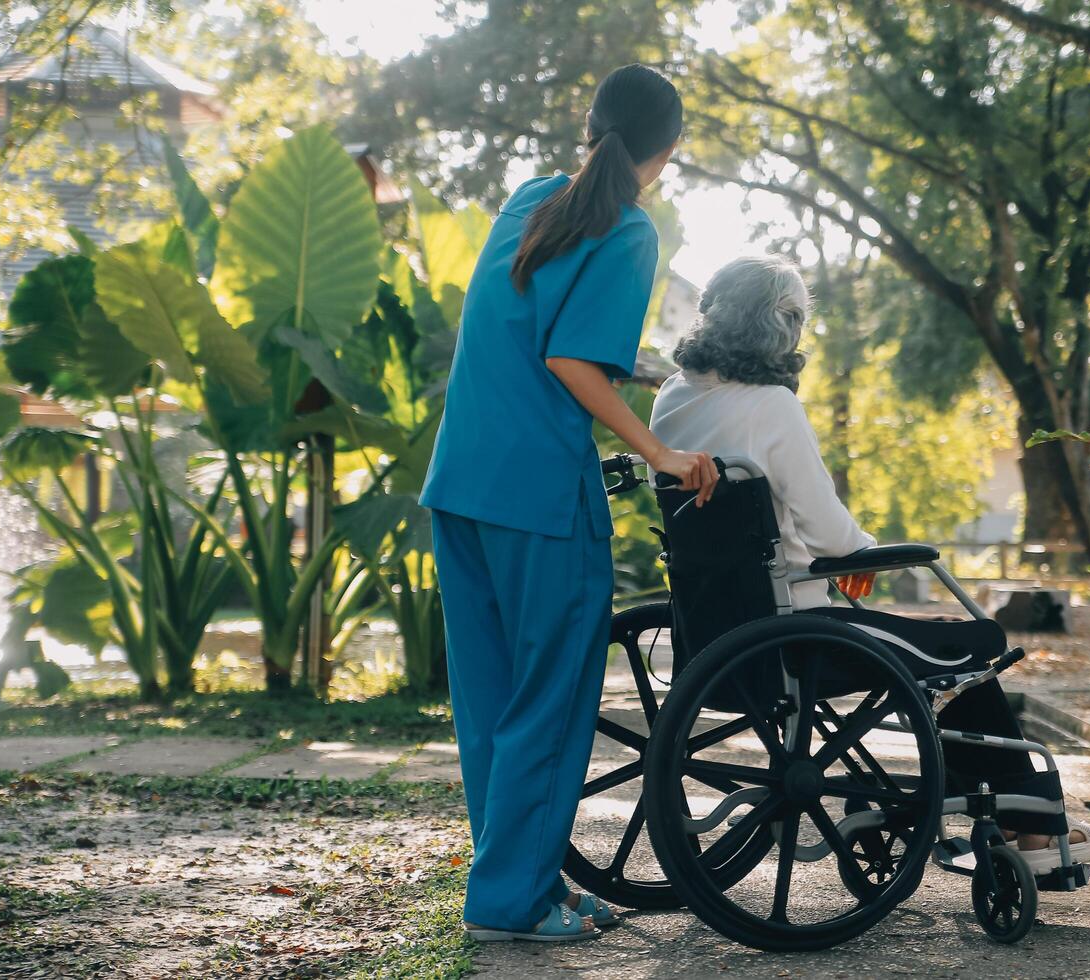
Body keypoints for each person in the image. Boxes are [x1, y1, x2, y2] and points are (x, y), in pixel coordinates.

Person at [649, 255, 1090, 871]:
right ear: (782, 326)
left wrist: (840, 555)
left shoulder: (671, 401)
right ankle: (1032, 828)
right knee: (969, 646)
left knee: (939, 652)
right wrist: (860, 550)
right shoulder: (769, 406)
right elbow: (833, 537)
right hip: (796, 640)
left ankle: (1001, 810)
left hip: (714, 639)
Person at [420, 64, 720, 944]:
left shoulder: (532, 200)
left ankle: (524, 882)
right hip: (541, 497)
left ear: (591, 127)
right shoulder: (628, 230)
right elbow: (571, 363)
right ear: (667, 151)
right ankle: (511, 901)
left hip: (463, 482)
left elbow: (532, 340)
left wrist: (649, 375)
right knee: (549, 703)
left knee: (493, 704)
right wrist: (662, 449)